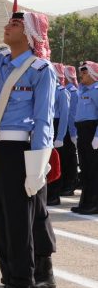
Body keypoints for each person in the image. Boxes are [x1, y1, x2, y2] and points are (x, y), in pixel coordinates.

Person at [0, 11, 56, 288]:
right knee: (0, 226)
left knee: (19, 228)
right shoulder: (2, 60)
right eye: (9, 23)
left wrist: (38, 165)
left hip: (20, 151)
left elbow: (44, 120)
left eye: (16, 24)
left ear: (31, 33)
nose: (7, 27)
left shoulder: (41, 70)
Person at [72, 61, 98, 215]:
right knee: (85, 169)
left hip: (92, 132)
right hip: (83, 132)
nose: (81, 74)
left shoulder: (96, 90)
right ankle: (85, 203)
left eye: (84, 71)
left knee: (93, 170)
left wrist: (97, 136)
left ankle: (94, 204)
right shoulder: (82, 91)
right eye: (80, 71)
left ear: (93, 74)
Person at [47, 63, 71, 206]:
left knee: (56, 163)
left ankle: (54, 195)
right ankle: (48, 193)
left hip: (56, 127)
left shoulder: (62, 92)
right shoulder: (47, 89)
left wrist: (60, 137)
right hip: (48, 125)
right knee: (47, 163)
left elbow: (64, 117)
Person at [60, 65, 79, 196]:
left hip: (69, 129)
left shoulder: (72, 92)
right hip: (64, 128)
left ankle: (70, 184)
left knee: (69, 158)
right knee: (64, 158)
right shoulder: (67, 90)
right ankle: (65, 183)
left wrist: (73, 134)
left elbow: (72, 115)